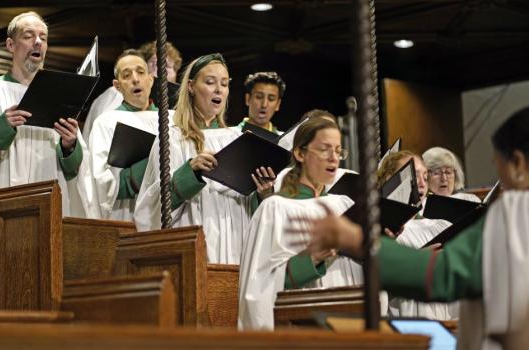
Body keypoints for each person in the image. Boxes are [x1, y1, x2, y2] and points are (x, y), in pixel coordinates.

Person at [300, 107, 529, 349]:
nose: (501, 180)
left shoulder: (517, 212)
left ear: (517, 163)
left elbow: (441, 275)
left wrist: (355, 239)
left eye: (498, 166)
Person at [134, 53, 272, 264]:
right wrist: (189, 172)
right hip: (193, 244)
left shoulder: (237, 139)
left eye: (224, 84)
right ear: (190, 86)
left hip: (236, 244)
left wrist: (262, 193)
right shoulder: (172, 138)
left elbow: (247, 206)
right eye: (210, 82)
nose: (219, 89)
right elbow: (151, 208)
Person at [238, 116, 363, 330]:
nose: (334, 158)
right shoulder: (275, 209)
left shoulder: (345, 205)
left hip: (350, 322)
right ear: (300, 153)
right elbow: (258, 287)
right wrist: (311, 260)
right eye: (325, 149)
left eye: (338, 151)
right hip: (302, 328)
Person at [0, 11, 96, 217]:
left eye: (43, 38)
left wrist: (70, 146)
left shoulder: (61, 99)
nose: (37, 42)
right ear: (10, 45)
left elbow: (78, 171)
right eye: (28, 36)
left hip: (46, 205)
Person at [88, 49, 173, 220]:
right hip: (126, 212)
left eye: (141, 72)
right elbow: (98, 178)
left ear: (150, 79)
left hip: (168, 211)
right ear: (117, 86)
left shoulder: (172, 120)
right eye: (126, 75)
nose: (135, 79)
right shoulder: (106, 122)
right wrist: (131, 180)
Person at [378, 150, 457, 320]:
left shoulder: (442, 226)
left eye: (425, 177)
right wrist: (417, 263)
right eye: (414, 175)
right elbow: (376, 288)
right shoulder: (383, 233)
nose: (421, 183)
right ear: (390, 179)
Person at [82, 41, 182, 143]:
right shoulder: (114, 98)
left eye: (167, 66)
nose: (160, 70)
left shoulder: (176, 116)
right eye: (154, 64)